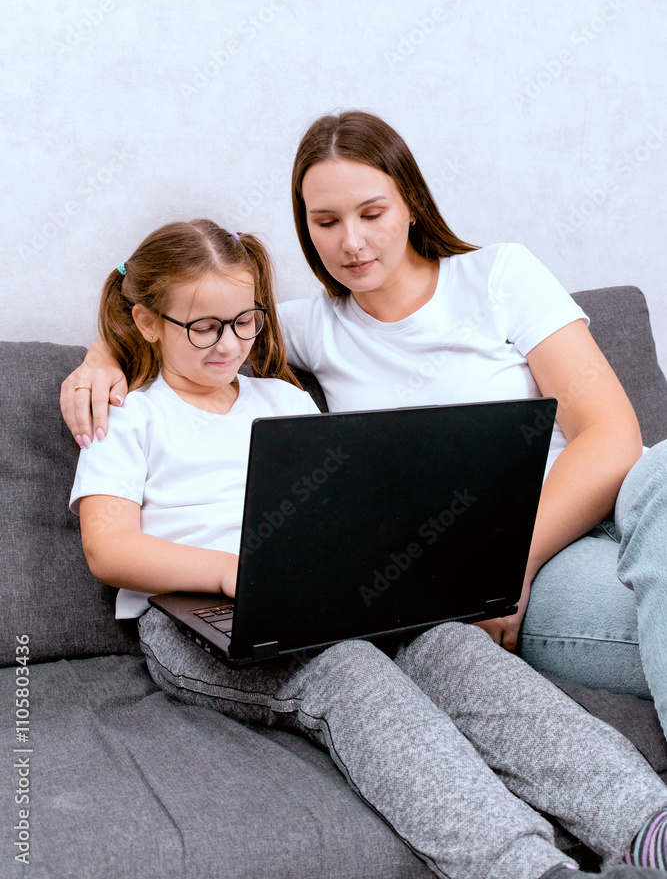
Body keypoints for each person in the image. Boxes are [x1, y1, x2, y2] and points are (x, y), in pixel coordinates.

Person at [67, 216, 667, 879]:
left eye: (244, 322)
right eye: (203, 328)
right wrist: (239, 574)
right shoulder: (128, 414)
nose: (228, 345)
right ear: (149, 323)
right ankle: (524, 868)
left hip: (323, 596)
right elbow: (110, 548)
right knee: (352, 675)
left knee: (454, 646)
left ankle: (643, 826)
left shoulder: (284, 401)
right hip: (198, 619)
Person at [60, 112, 667, 738]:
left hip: (598, 512)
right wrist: (103, 356)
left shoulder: (501, 275)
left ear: (411, 204)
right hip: (533, 566)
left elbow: (612, 436)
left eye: (371, 214)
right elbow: (187, 324)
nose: (352, 242)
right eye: (326, 222)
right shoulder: (309, 327)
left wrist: (512, 566)